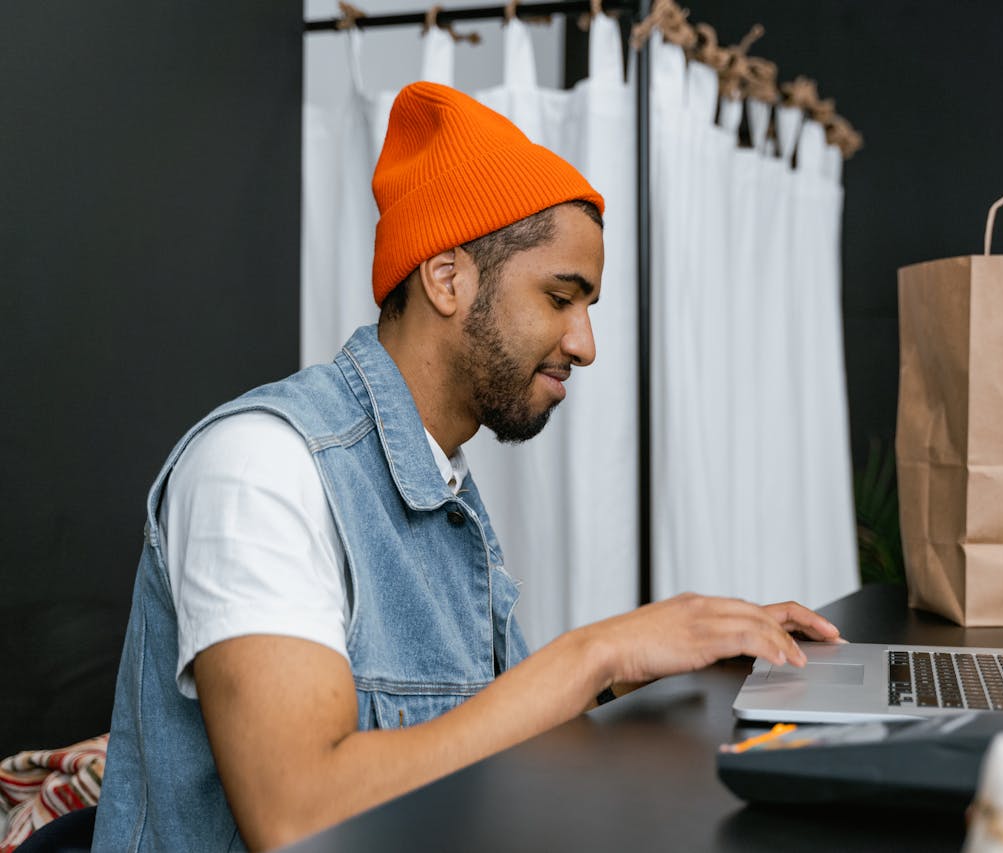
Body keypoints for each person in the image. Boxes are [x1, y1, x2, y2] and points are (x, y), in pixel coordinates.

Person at [93, 82, 839, 852]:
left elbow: (464, 742)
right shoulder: (261, 469)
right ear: (447, 279)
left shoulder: (441, 486)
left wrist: (635, 674)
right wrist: (596, 651)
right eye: (560, 296)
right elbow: (299, 812)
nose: (585, 343)